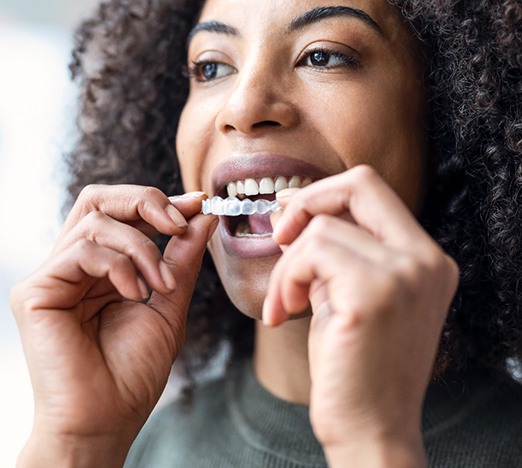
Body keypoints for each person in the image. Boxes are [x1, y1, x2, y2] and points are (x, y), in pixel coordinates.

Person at [10, 0, 522, 466]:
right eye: (211, 67)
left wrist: (374, 444)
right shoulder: (142, 449)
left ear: (447, 113)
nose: (243, 106)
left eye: (322, 56)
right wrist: (75, 442)